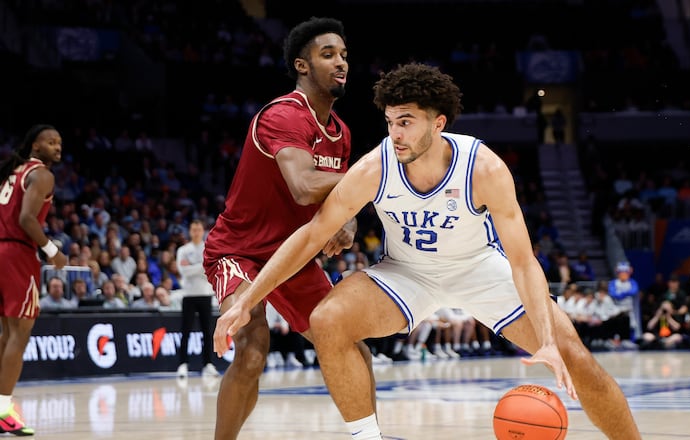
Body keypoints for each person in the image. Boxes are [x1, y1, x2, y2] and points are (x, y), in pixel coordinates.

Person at [214, 63, 640, 440]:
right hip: (407, 273)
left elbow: (524, 262)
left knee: (576, 357)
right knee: (327, 320)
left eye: (407, 122)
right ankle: (366, 437)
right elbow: (309, 237)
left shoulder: (483, 167)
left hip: (477, 269)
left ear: (438, 124)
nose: (395, 133)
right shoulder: (376, 166)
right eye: (390, 122)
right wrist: (246, 302)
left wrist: (546, 339)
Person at [201, 17, 359, 440]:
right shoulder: (283, 115)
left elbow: (335, 195)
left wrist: (348, 220)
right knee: (252, 351)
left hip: (292, 255)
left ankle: (370, 436)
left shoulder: (340, 133)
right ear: (301, 65)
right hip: (239, 251)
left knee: (348, 346)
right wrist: (378, 173)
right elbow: (306, 187)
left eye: (344, 54)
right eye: (328, 54)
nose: (341, 62)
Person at [0, 124, 67, 436]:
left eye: (59, 142)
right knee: (20, 334)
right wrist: (53, 251)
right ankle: (2, 410)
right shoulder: (41, 174)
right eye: (50, 142)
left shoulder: (11, 172)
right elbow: (27, 219)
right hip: (17, 254)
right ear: (35, 146)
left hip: (2, 250)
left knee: (7, 334)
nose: (57, 146)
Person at [176, 219, 218, 378]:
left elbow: (210, 268)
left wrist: (194, 267)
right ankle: (182, 364)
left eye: (198, 229)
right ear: (189, 231)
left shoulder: (208, 248)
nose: (196, 232)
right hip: (188, 295)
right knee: (185, 331)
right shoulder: (183, 250)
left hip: (205, 294)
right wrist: (201, 266)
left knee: (207, 332)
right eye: (193, 229)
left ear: (203, 231)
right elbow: (183, 271)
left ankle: (208, 364)